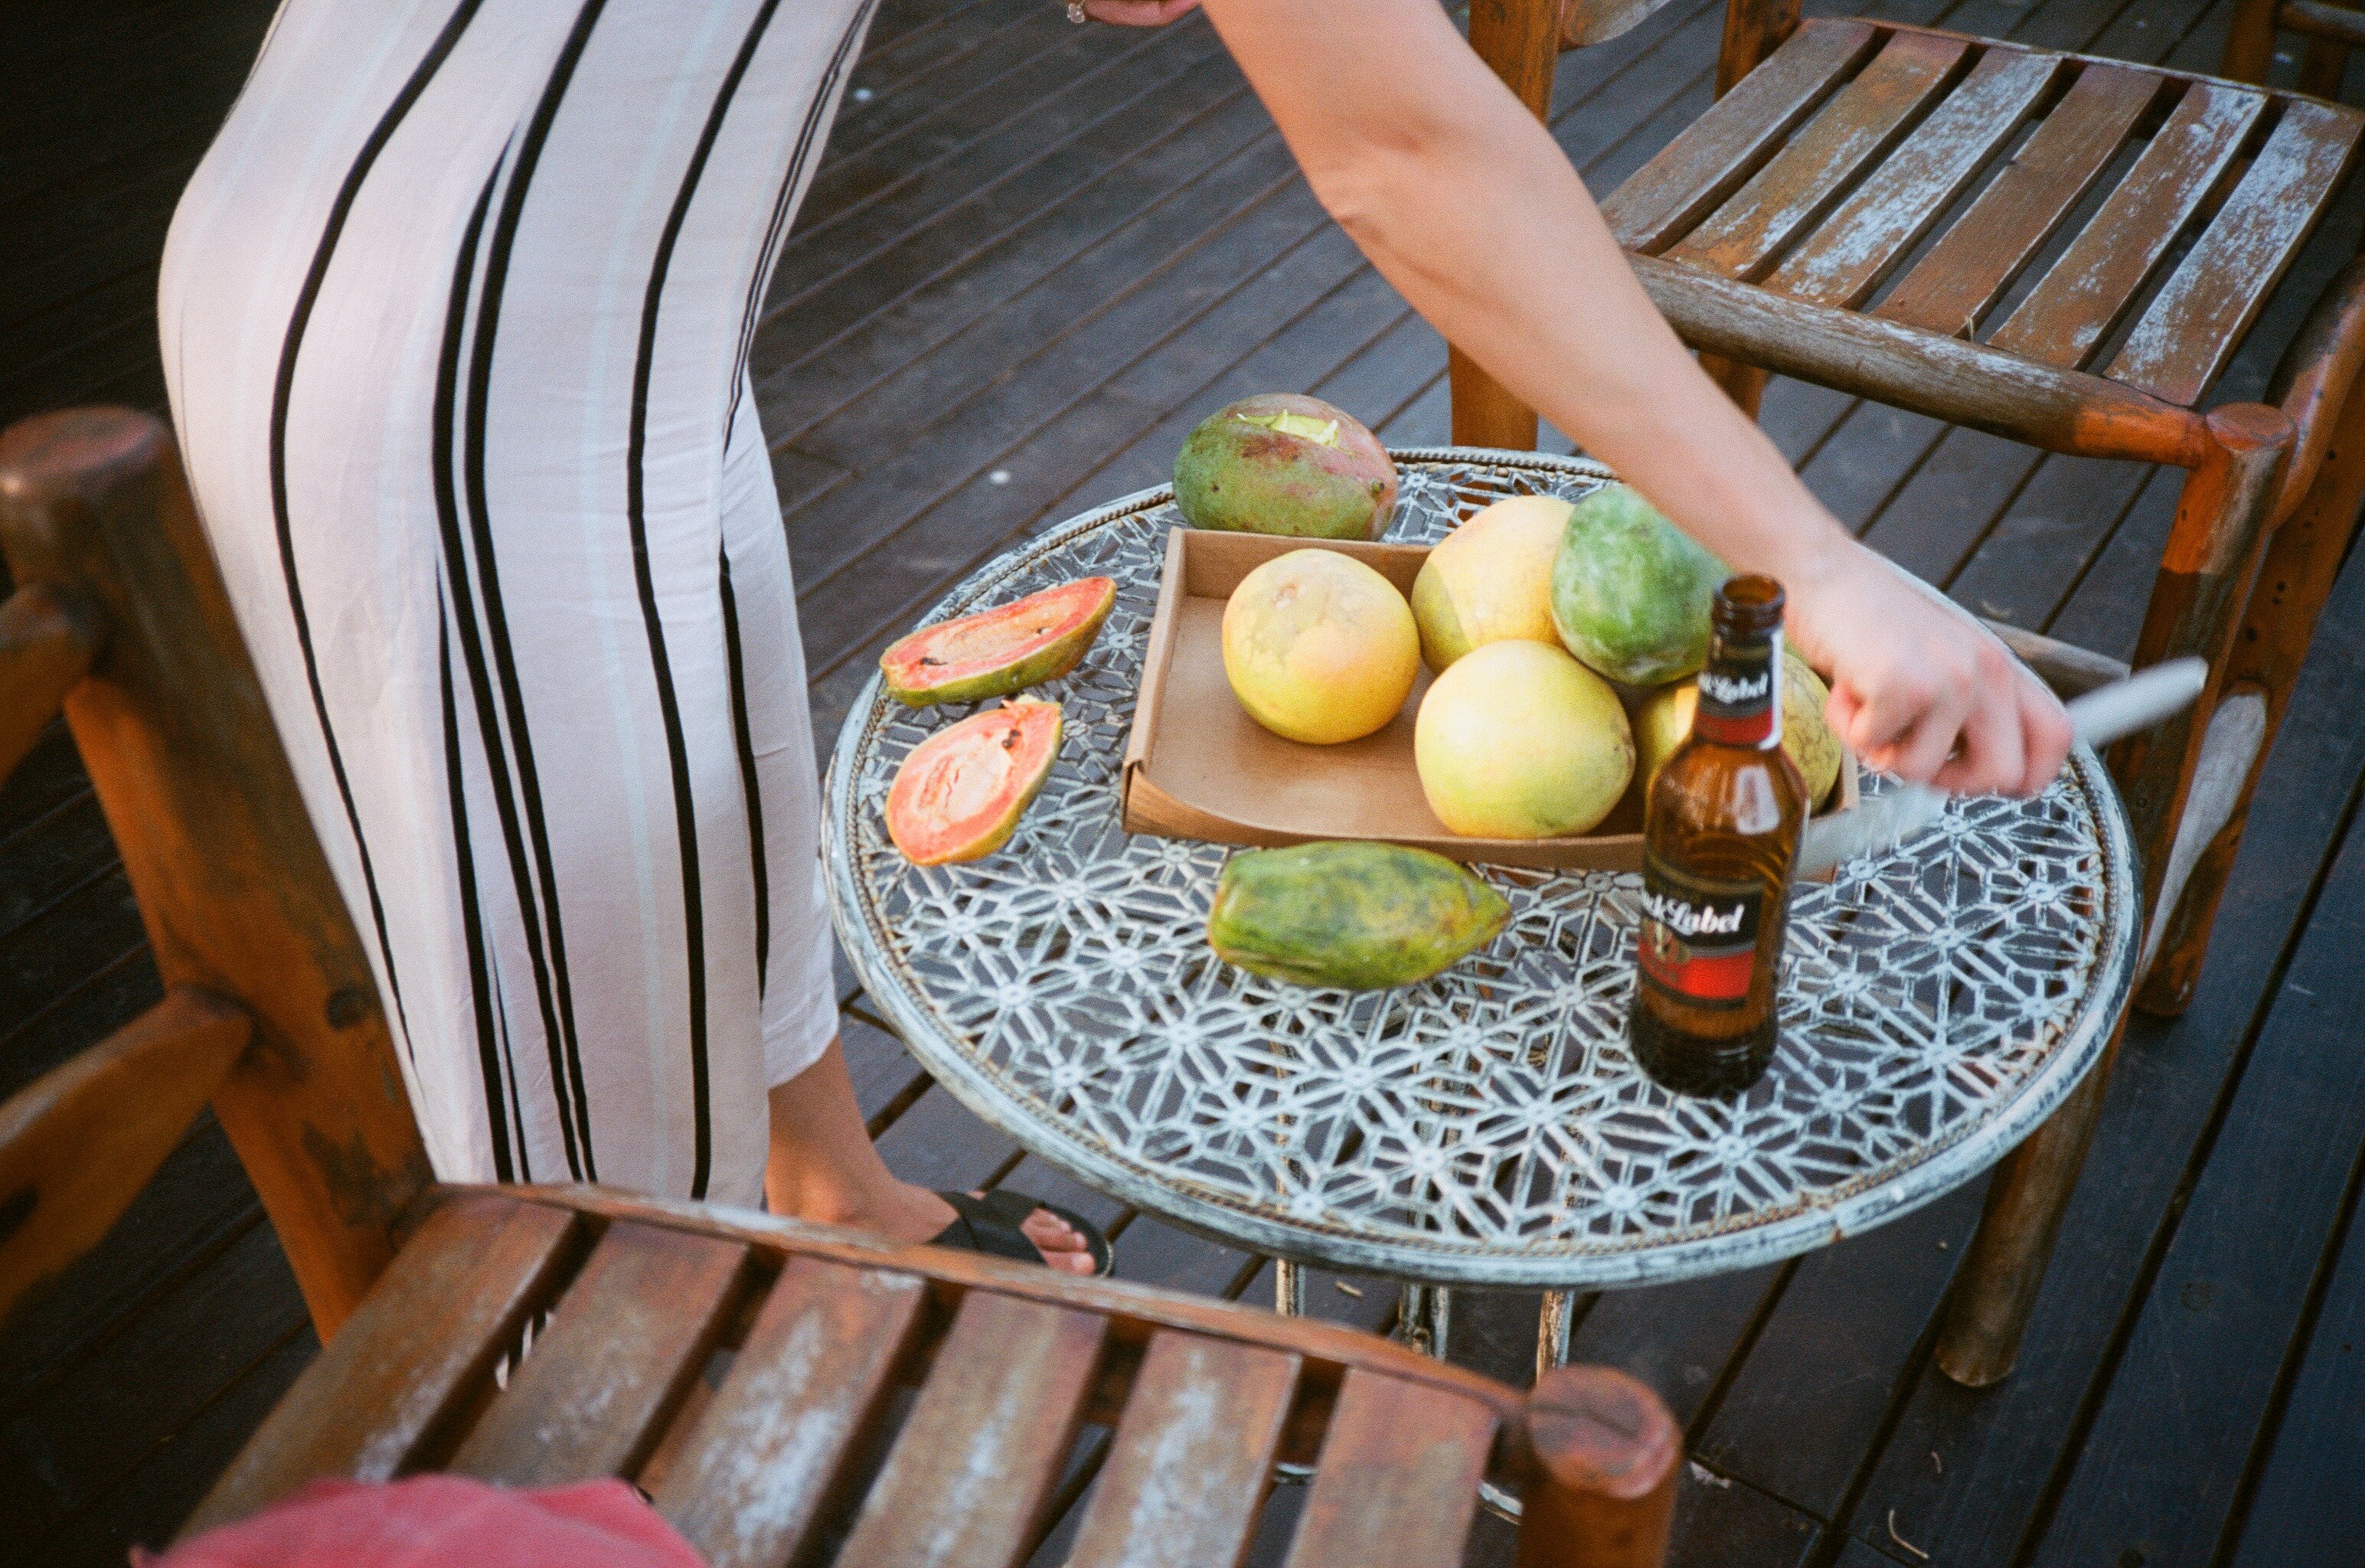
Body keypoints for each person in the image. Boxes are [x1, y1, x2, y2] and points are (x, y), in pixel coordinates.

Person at [158, 0, 2068, 1279]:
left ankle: (848, 1197)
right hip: (456, 379)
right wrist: (1814, 561)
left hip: (581, 318)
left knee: (722, 783)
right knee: (603, 1245)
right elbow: (1405, 146)